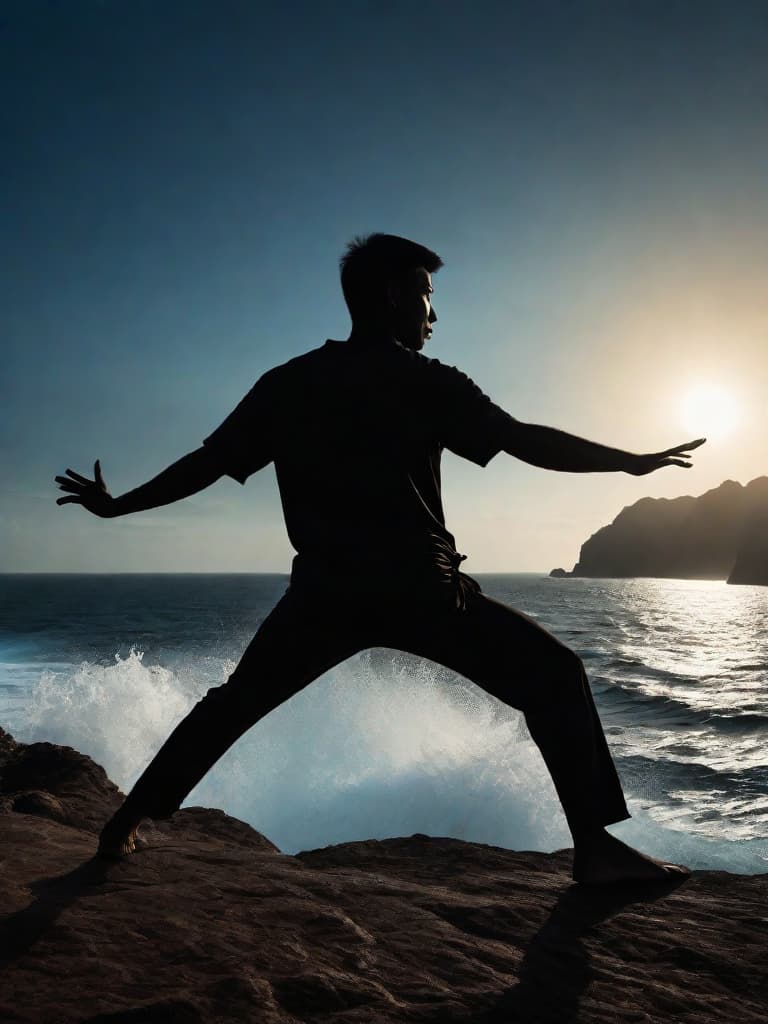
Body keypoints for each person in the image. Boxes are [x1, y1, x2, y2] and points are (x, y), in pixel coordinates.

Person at [56, 233, 704, 882]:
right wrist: (627, 462)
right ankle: (595, 852)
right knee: (556, 676)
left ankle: (123, 824)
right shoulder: (425, 382)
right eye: (427, 296)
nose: (434, 314)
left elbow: (207, 464)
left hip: (324, 593)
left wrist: (119, 508)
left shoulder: (290, 383)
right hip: (419, 590)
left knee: (231, 705)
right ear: (394, 296)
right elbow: (521, 440)